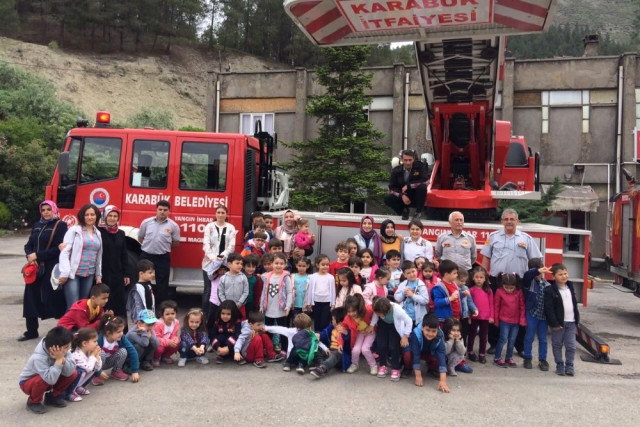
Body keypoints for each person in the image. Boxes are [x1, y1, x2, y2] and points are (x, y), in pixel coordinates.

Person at [480, 208, 542, 354]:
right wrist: (483, 278)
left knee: (520, 312)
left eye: (512, 219)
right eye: (506, 219)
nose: (509, 222)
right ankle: (494, 343)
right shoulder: (493, 237)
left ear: (517, 221)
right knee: (495, 312)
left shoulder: (526, 239)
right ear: (502, 221)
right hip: (497, 280)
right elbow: (486, 259)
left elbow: (536, 260)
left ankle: (519, 346)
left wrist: (540, 279)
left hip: (518, 281)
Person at [21, 200, 68, 341]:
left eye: (49, 209)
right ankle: (31, 330)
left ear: (54, 210)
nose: (46, 212)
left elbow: (59, 249)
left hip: (51, 267)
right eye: (43, 210)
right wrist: (30, 255)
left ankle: (62, 330)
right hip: (35, 268)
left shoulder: (60, 225)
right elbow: (29, 244)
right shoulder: (37, 225)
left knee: (54, 298)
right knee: (30, 297)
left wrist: (39, 255)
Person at [19, 326, 78, 414]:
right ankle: (33, 401)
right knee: (41, 380)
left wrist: (62, 359)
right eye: (66, 347)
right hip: (28, 383)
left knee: (73, 373)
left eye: (68, 346)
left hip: (49, 379)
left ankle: (52, 397)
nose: (68, 349)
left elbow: (69, 372)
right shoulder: (38, 357)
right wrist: (58, 361)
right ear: (54, 348)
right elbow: (50, 380)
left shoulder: (63, 348)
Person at [58, 204, 103, 310]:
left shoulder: (98, 233)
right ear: (82, 216)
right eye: (87, 215)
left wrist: (98, 275)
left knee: (83, 306)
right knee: (73, 306)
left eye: (92, 214)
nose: (90, 217)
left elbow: (99, 255)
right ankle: (67, 327)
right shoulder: (75, 230)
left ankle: (79, 327)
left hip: (89, 274)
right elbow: (65, 252)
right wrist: (65, 273)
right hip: (74, 274)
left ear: (97, 216)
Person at [138, 200, 180, 305]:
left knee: (162, 283)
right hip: (146, 255)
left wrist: (162, 248)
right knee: (144, 280)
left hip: (162, 257)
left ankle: (160, 306)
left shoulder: (173, 226)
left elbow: (175, 243)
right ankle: (144, 302)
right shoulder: (146, 222)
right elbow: (140, 238)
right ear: (156, 210)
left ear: (169, 211)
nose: (162, 212)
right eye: (160, 209)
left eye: (165, 210)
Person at [544, 263, 580, 376]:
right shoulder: (549, 290)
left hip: (571, 322)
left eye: (565, 273)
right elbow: (549, 309)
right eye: (560, 274)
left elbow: (574, 304)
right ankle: (559, 364)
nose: (564, 276)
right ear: (553, 277)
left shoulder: (570, 286)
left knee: (571, 346)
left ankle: (569, 365)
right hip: (558, 324)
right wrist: (554, 323)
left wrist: (576, 319)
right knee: (557, 345)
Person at [98, 205, 131, 326]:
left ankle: (121, 331)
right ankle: (104, 330)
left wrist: (126, 273)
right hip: (103, 273)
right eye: (110, 215)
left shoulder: (121, 233)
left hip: (117, 273)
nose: (112, 218)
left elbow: (124, 254)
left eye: (115, 216)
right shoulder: (98, 232)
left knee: (119, 303)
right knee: (105, 302)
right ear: (104, 217)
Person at [202, 205, 237, 314]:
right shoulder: (209, 226)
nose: (220, 215)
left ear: (226, 214)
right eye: (218, 212)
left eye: (223, 212)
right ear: (215, 213)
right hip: (209, 263)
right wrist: (213, 258)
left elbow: (232, 245)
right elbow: (206, 244)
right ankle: (205, 316)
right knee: (208, 290)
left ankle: (221, 315)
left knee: (224, 290)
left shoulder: (231, 227)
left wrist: (221, 257)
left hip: (225, 264)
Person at [370, 297, 412, 381]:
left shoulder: (398, 310)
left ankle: (395, 368)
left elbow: (409, 321)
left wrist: (405, 336)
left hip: (394, 326)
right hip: (383, 325)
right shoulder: (378, 307)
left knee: (393, 347)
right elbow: (375, 314)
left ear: (387, 311)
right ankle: (382, 366)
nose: (378, 315)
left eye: (380, 314)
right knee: (381, 345)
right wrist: (372, 325)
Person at [260, 253, 293, 353]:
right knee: (269, 330)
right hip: (269, 309)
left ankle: (284, 349)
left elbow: (289, 292)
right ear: (272, 264)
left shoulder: (286, 277)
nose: (278, 265)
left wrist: (288, 306)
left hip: (281, 309)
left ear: (285, 265)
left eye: (281, 263)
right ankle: (270, 349)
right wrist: (261, 305)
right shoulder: (266, 277)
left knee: (282, 330)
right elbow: (264, 291)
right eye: (276, 263)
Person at [522, 259, 551, 371]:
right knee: (529, 337)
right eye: (539, 270)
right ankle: (527, 357)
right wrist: (536, 270)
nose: (540, 273)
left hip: (543, 316)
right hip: (532, 313)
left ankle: (542, 359)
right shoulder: (529, 282)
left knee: (543, 338)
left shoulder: (547, 284)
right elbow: (527, 275)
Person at [93, 315, 139, 385]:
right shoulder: (100, 339)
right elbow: (91, 357)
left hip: (109, 361)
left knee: (123, 351)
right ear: (108, 333)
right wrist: (98, 372)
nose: (121, 333)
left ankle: (116, 371)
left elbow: (132, 351)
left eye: (122, 331)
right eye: (118, 332)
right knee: (100, 353)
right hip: (98, 363)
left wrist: (135, 371)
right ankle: (96, 376)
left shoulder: (122, 338)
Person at [409, 314, 449, 392]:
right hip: (418, 352)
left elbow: (442, 358)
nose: (430, 334)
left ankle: (432, 369)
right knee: (408, 354)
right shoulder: (415, 335)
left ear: (437, 330)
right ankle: (408, 368)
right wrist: (418, 376)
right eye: (427, 330)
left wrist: (443, 381)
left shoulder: (440, 337)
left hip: (430, 353)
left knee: (440, 358)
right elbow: (416, 355)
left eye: (434, 331)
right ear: (422, 328)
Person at [384, 149, 428, 220]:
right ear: (402, 159)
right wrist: (402, 196)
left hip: (416, 196)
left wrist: (409, 186)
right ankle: (403, 211)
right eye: (405, 160)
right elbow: (391, 188)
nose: (408, 162)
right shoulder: (396, 170)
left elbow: (426, 181)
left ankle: (418, 213)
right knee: (388, 198)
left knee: (422, 187)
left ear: (413, 159)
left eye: (410, 160)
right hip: (402, 197)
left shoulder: (420, 167)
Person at [493, 273, 526, 368]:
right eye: (506, 287)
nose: (509, 290)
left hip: (515, 321)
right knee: (503, 339)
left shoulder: (518, 292)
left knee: (512, 340)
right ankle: (497, 357)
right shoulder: (499, 292)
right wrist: (496, 320)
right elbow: (496, 306)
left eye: (511, 288)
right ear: (502, 285)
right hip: (504, 320)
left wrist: (522, 319)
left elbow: (522, 306)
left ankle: (509, 357)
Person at [64, 327, 101, 402]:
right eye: (94, 341)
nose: (97, 343)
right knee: (81, 371)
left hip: (77, 376)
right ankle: (70, 392)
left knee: (93, 368)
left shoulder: (88, 351)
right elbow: (88, 368)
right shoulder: (76, 354)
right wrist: (93, 356)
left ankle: (77, 387)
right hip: (67, 380)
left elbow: (97, 368)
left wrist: (97, 356)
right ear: (84, 343)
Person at [312, 308, 351, 378]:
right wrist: (319, 335)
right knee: (317, 349)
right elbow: (324, 333)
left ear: (339, 322)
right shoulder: (332, 328)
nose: (332, 321)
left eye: (333, 319)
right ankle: (320, 365)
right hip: (330, 351)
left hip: (341, 356)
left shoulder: (346, 331)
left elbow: (349, 345)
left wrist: (346, 333)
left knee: (336, 353)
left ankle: (323, 368)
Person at [343, 294, 377, 375]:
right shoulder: (347, 318)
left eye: (354, 311)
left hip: (370, 333)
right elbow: (342, 329)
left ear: (359, 308)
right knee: (355, 350)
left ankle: (373, 365)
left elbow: (376, 309)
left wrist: (372, 325)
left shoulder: (368, 310)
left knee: (365, 349)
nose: (351, 314)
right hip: (359, 334)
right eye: (349, 311)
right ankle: (354, 364)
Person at [467, 266, 493, 364]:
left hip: (485, 317)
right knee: (472, 335)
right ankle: (470, 351)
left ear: (485, 278)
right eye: (476, 277)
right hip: (474, 317)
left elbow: (491, 304)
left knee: (483, 336)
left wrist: (491, 316)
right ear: (473, 278)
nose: (479, 279)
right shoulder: (471, 290)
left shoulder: (488, 290)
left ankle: (482, 353)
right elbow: (469, 304)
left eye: (481, 277)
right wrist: (469, 317)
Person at [305, 254, 336, 331]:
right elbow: (310, 290)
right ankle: (317, 337)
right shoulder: (313, 277)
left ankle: (324, 338)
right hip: (316, 302)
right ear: (317, 265)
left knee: (325, 321)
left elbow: (333, 291)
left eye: (327, 264)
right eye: (323, 264)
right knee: (317, 321)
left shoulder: (331, 277)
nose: (325, 266)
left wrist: (333, 304)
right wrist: (309, 303)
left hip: (327, 302)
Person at [394, 261, 429, 326]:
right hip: (405, 317)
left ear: (417, 271)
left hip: (418, 318)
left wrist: (413, 295)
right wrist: (403, 293)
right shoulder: (403, 284)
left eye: (413, 271)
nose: (412, 274)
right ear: (404, 275)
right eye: (408, 273)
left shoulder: (421, 285)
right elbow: (397, 298)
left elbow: (426, 300)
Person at [218, 252, 249, 319]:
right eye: (237, 263)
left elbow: (246, 292)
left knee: (240, 323)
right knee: (229, 324)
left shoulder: (243, 277)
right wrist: (226, 304)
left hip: (240, 307)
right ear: (229, 264)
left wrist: (239, 303)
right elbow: (220, 293)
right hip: (227, 308)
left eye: (241, 264)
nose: (240, 265)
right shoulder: (223, 278)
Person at [430, 260, 461, 324]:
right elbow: (437, 302)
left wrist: (463, 294)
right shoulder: (439, 287)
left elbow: (457, 298)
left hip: (456, 316)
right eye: (454, 273)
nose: (457, 275)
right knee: (446, 333)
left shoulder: (454, 284)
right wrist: (450, 299)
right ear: (446, 274)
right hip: (444, 319)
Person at [126, 259, 155, 324]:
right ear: (141, 273)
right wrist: (139, 319)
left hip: (149, 316)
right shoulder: (138, 288)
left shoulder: (148, 286)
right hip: (141, 319)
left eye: (152, 272)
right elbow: (138, 304)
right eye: (150, 272)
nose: (152, 275)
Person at [153, 300, 180, 367]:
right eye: (167, 314)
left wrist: (175, 340)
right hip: (159, 343)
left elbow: (174, 335)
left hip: (168, 342)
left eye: (173, 313)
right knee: (159, 348)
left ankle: (165, 356)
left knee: (177, 343)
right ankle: (155, 358)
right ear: (162, 315)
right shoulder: (159, 324)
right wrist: (168, 342)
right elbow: (156, 338)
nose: (170, 316)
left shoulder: (176, 322)